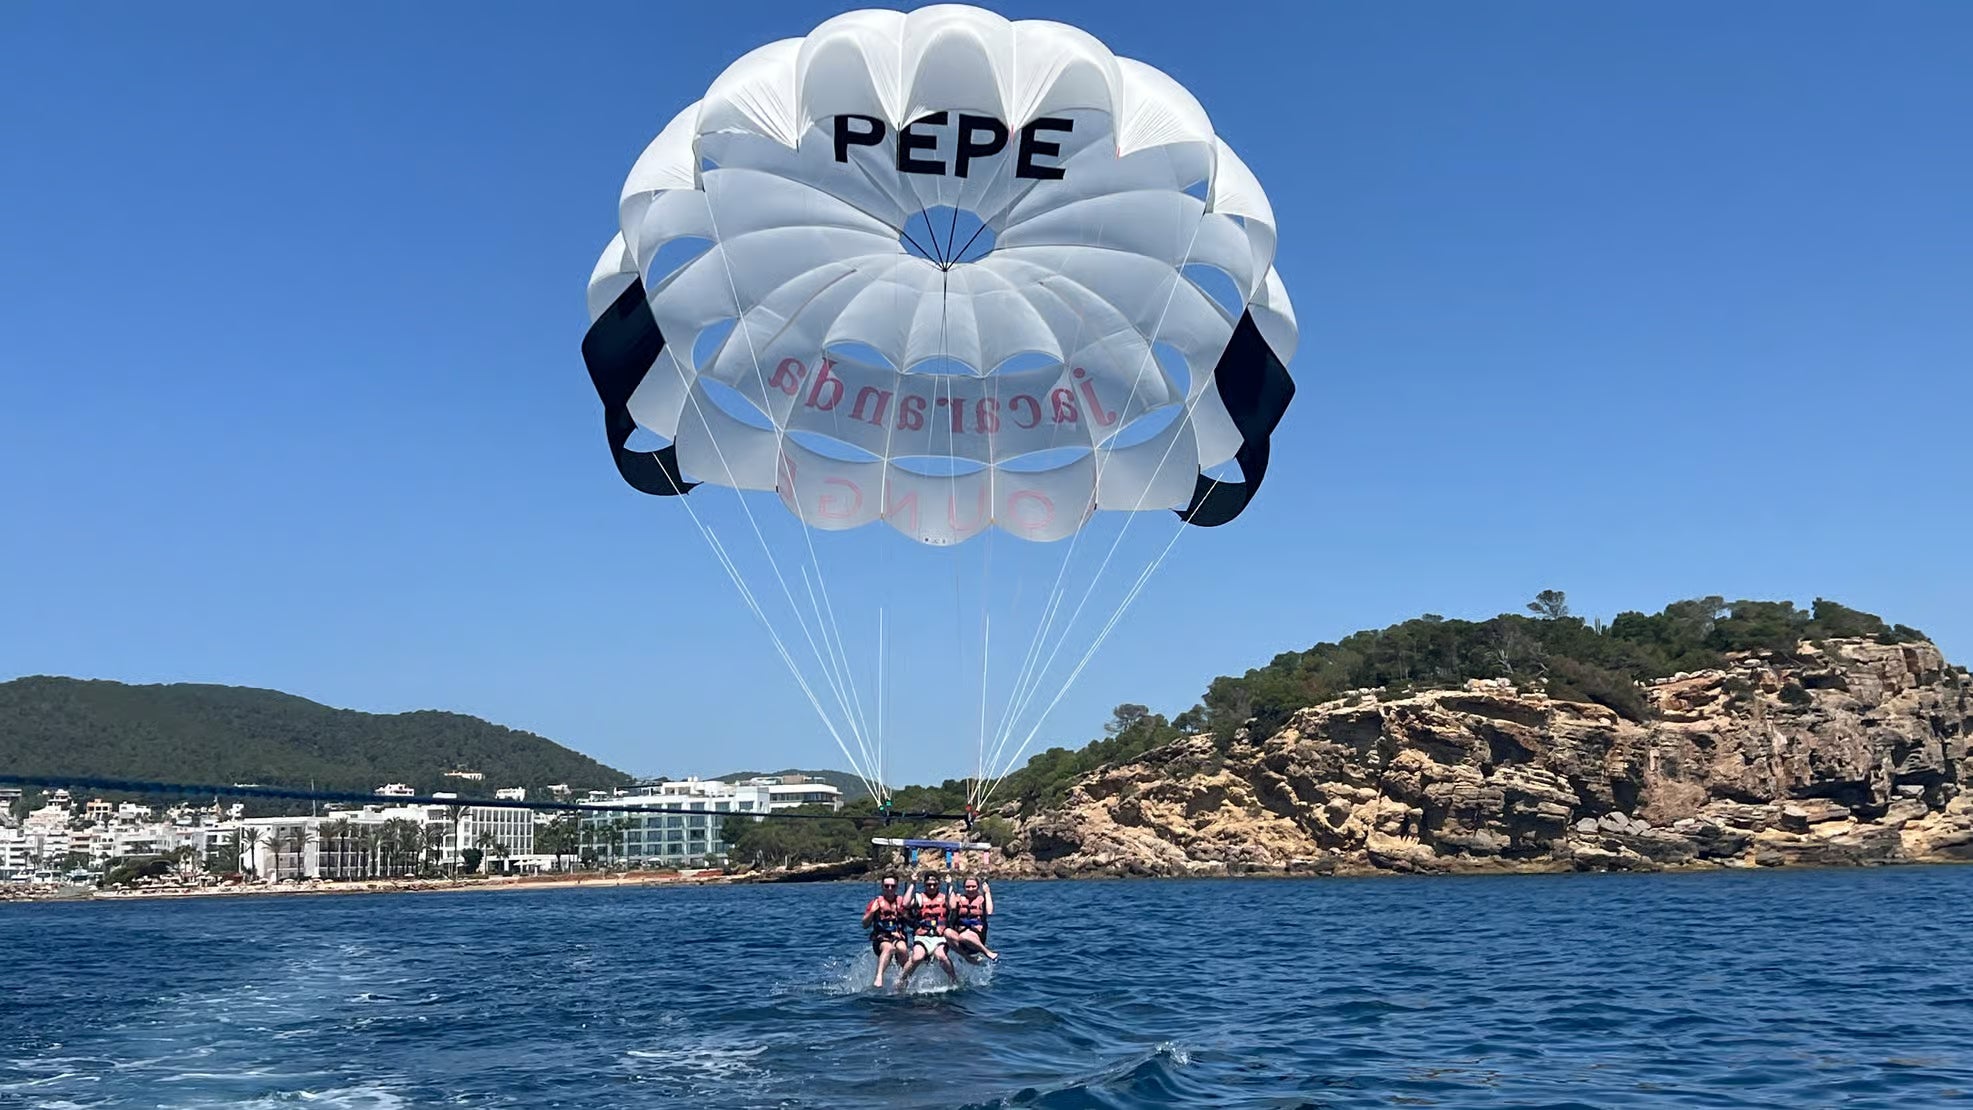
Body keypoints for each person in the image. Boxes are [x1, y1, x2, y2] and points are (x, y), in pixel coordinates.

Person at [898, 873, 959, 986]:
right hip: (922, 937)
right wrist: (913, 883)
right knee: (917, 957)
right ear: (925, 884)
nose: (931, 887)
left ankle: (954, 980)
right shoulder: (919, 898)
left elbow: (953, 906)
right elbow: (905, 903)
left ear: (938, 884)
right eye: (928, 885)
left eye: (934, 885)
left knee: (942, 956)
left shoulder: (944, 897)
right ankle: (901, 981)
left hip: (939, 937)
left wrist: (950, 885)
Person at [860, 874, 909, 988]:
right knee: (888, 948)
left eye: (893, 886)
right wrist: (872, 912)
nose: (890, 889)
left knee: (902, 948)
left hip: (898, 936)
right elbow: (865, 925)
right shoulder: (876, 903)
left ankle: (903, 978)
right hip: (881, 938)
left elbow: (912, 921)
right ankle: (879, 977)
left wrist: (905, 914)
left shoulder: (902, 902)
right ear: (882, 887)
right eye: (886, 886)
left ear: (897, 887)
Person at [943, 875, 997, 961]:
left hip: (975, 937)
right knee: (947, 932)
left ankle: (986, 952)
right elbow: (952, 906)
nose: (970, 889)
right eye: (967, 887)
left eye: (973, 886)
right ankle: (967, 957)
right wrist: (949, 885)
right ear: (964, 887)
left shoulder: (982, 900)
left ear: (978, 887)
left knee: (964, 936)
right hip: (959, 939)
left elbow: (989, 911)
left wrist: (987, 892)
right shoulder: (959, 899)